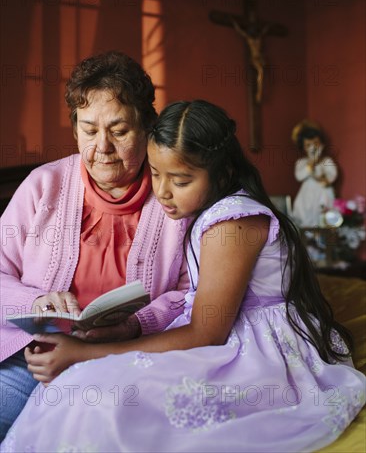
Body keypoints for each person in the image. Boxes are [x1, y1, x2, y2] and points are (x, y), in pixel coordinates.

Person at [2, 100, 365, 453]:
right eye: (156, 175)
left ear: (220, 173)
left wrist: (84, 354)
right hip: (216, 334)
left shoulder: (232, 222)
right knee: (86, 388)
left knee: (98, 394)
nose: (162, 193)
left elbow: (207, 332)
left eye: (180, 180)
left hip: (258, 354)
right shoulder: (208, 214)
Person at [0, 51, 189, 441]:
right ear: (74, 130)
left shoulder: (174, 196)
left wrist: (136, 324)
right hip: (31, 355)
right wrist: (36, 303)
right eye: (89, 130)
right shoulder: (42, 185)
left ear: (146, 127)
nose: (102, 146)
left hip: (127, 358)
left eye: (119, 130)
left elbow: (192, 293)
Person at [291, 119, 338, 227]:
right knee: (306, 217)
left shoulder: (327, 161)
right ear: (303, 147)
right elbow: (299, 176)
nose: (312, 148)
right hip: (307, 194)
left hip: (323, 192)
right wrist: (313, 162)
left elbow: (331, 176)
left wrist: (325, 179)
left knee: (323, 216)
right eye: (308, 145)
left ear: (322, 144)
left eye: (315, 144)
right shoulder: (301, 162)